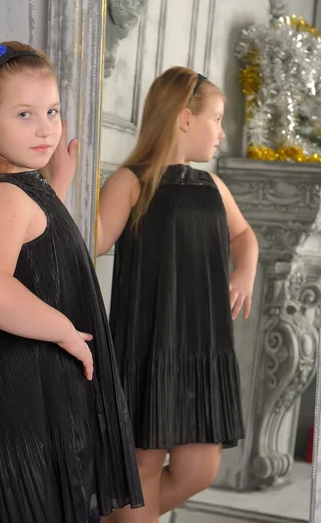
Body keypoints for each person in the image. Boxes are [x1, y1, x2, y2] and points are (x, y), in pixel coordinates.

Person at [0, 41, 143, 523]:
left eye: (51, 111)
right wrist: (65, 330)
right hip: (15, 403)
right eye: (25, 114)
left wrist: (59, 184)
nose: (47, 127)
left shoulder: (25, 188)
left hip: (30, 397)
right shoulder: (5, 196)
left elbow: (42, 256)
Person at [95, 67, 259, 522]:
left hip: (202, 348)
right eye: (217, 119)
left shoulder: (212, 186)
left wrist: (244, 270)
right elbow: (94, 242)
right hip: (145, 345)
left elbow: (244, 235)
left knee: (198, 469)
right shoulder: (132, 182)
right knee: (143, 466)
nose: (222, 133)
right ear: (185, 119)